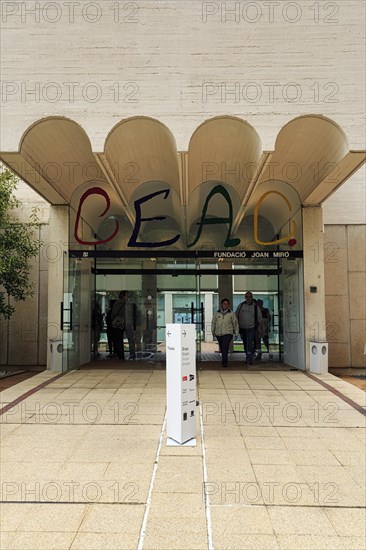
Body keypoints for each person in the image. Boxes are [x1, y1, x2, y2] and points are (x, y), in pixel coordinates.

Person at [235, 291, 262, 365]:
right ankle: (248, 355)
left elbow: (259, 318)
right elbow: (235, 315)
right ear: (245, 297)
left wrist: (259, 327)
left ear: (252, 297)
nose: (248, 298)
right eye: (247, 297)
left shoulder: (255, 306)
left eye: (250, 297)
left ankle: (249, 359)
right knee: (245, 344)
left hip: (251, 328)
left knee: (249, 343)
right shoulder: (241, 305)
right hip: (242, 328)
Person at [211, 298, 239, 368]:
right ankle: (224, 360)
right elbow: (213, 322)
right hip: (219, 333)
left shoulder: (231, 313)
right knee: (222, 347)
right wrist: (213, 331)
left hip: (228, 333)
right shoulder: (217, 313)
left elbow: (235, 323)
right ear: (222, 305)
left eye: (227, 304)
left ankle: (224, 362)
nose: (225, 305)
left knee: (225, 347)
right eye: (224, 304)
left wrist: (236, 332)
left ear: (229, 305)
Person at [111, 291, 136, 361]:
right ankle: (132, 354)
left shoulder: (115, 304)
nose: (127, 297)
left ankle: (121, 356)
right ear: (123, 296)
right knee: (131, 340)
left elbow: (112, 315)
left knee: (119, 340)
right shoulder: (127, 304)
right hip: (126, 323)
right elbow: (129, 315)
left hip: (118, 323)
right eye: (127, 296)